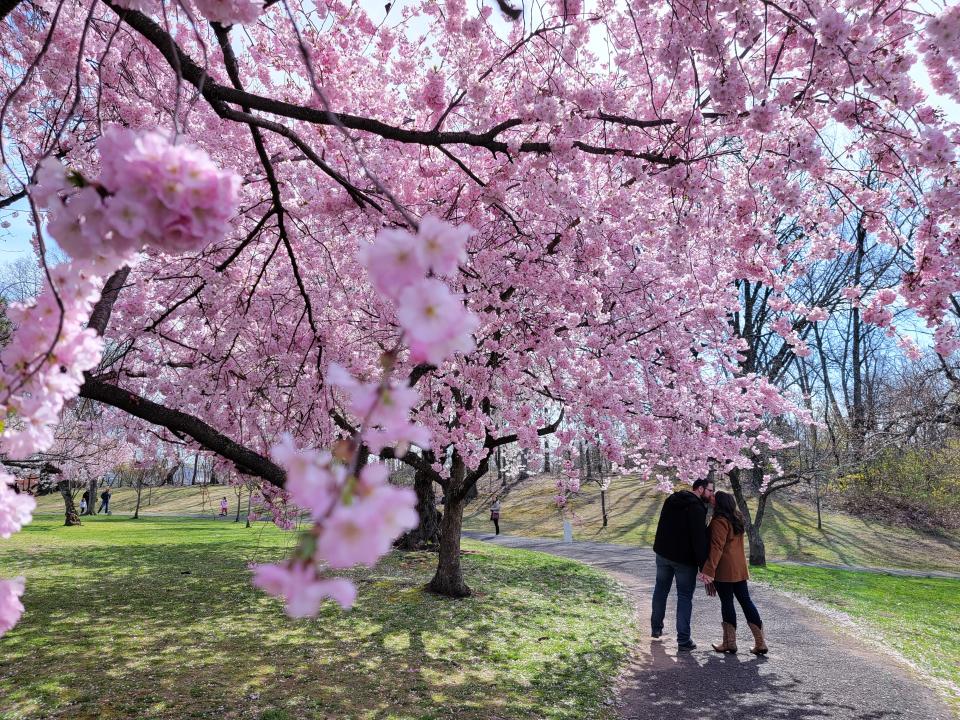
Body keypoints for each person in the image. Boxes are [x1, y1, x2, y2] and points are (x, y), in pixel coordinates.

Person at [650, 477, 715, 650]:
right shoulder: (697, 508)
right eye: (710, 490)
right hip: (685, 561)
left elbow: (661, 525)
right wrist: (703, 566)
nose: (711, 494)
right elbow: (698, 539)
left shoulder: (671, 499)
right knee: (684, 597)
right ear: (700, 489)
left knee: (660, 590)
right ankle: (683, 640)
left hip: (663, 554)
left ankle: (656, 629)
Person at [702, 491, 768, 655]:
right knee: (746, 601)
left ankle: (729, 643)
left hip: (724, 569)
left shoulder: (719, 521)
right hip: (739, 568)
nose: (712, 500)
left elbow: (717, 547)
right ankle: (760, 643)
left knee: (727, 602)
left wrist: (708, 571)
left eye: (714, 498)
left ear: (720, 503)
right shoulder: (737, 518)